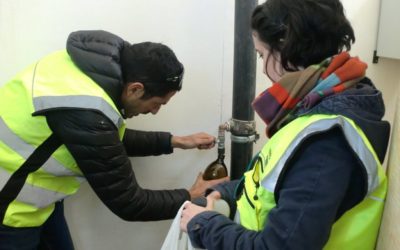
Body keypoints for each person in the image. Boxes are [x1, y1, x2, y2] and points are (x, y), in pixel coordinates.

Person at [180, 0, 390, 249]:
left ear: (285, 47)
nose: (263, 69)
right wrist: (225, 192)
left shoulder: (326, 141)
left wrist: (203, 225)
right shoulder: (317, 112)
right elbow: (270, 182)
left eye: (261, 54)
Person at [0, 30, 228, 249]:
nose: (155, 111)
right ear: (136, 89)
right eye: (157, 103)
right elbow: (129, 202)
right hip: (10, 209)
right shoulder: (86, 112)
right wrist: (192, 194)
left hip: (35, 200)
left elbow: (104, 139)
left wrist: (175, 141)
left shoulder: (86, 71)